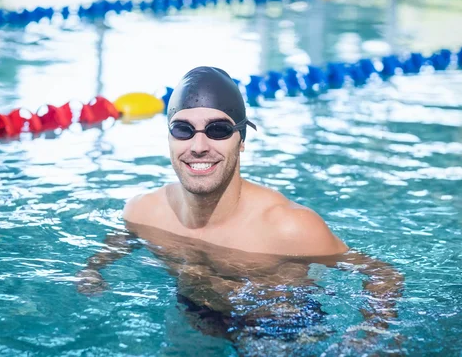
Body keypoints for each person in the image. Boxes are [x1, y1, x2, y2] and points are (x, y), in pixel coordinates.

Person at [77, 66, 404, 355]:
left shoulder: (289, 227)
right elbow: (125, 238)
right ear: (169, 138)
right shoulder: (143, 211)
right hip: (195, 312)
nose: (199, 146)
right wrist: (94, 268)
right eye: (183, 129)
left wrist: (371, 334)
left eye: (218, 130)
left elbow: (382, 274)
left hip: (279, 329)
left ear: (242, 140)